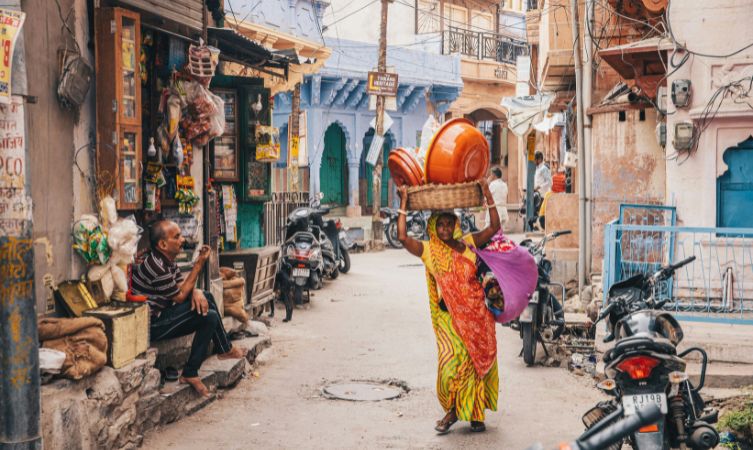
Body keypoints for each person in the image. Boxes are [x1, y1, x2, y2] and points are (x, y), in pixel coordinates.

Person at [397, 179, 500, 434]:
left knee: (476, 364)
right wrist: (403, 203)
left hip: (478, 316)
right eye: (439, 224)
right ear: (433, 227)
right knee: (451, 366)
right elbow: (401, 236)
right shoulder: (430, 251)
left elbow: (495, 227)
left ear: (455, 224)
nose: (444, 229)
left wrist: (487, 194)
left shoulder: (468, 243)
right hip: (450, 321)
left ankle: (475, 414)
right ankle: (453, 410)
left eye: (448, 224)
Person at [131, 220, 246, 397]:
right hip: (152, 325)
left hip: (163, 314)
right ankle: (191, 372)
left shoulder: (166, 260)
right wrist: (199, 264)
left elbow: (182, 286)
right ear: (162, 244)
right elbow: (180, 295)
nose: (182, 240)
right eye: (177, 237)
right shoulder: (155, 265)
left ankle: (224, 349)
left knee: (206, 297)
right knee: (210, 316)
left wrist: (197, 290)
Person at [485, 167, 508, 231]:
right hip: (503, 212)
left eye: (491, 174)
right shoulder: (504, 185)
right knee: (500, 234)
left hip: (494, 213)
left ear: (494, 175)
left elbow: (486, 196)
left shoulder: (493, 184)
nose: (490, 176)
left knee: (488, 232)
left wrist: (487, 182)